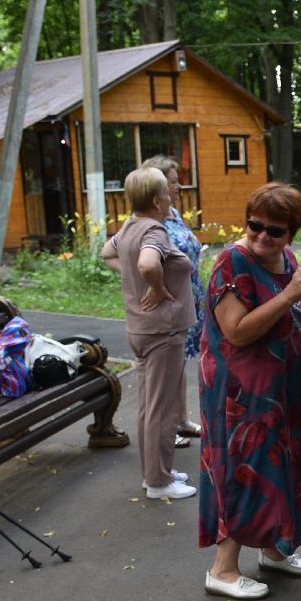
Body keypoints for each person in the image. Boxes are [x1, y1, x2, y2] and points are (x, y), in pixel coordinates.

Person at [195, 182, 301, 601]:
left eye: (275, 230)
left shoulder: (287, 259)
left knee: (288, 462)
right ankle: (223, 570)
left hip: (282, 387)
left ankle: (276, 550)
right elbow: (237, 331)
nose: (262, 235)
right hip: (240, 393)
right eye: (255, 225)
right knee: (244, 469)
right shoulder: (232, 262)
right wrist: (290, 294)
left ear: (291, 233)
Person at [106, 166, 197, 500]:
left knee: (150, 406)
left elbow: (107, 252)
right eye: (166, 193)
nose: (171, 196)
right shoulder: (154, 231)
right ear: (157, 200)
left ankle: (156, 473)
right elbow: (147, 263)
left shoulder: (129, 226)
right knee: (162, 409)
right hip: (162, 331)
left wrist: (134, 276)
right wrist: (156, 286)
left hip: (142, 328)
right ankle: (159, 482)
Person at [144, 155, 206, 448]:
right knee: (165, 370)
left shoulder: (173, 214)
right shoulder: (149, 222)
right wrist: (155, 286)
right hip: (168, 303)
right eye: (172, 181)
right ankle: (167, 428)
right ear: (157, 186)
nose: (178, 186)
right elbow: (126, 257)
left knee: (178, 364)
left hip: (188, 299)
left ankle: (181, 419)